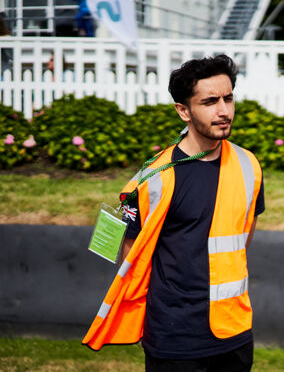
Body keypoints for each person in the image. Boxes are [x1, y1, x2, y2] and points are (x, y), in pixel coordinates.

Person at [83, 54, 265, 372]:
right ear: (184, 110)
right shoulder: (154, 178)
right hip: (175, 336)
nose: (224, 111)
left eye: (228, 98)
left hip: (234, 330)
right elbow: (131, 257)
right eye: (210, 101)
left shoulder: (249, 165)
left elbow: (244, 236)